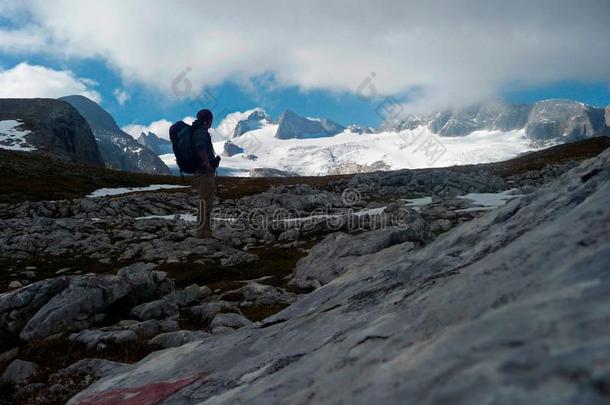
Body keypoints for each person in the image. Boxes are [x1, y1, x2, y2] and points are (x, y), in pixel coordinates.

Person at [191, 109, 218, 238]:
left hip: (201, 172)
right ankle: (203, 233)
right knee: (205, 204)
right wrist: (208, 165)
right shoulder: (201, 132)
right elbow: (201, 148)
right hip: (204, 173)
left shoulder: (198, 130)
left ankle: (205, 231)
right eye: (211, 120)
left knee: (205, 203)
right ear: (208, 119)